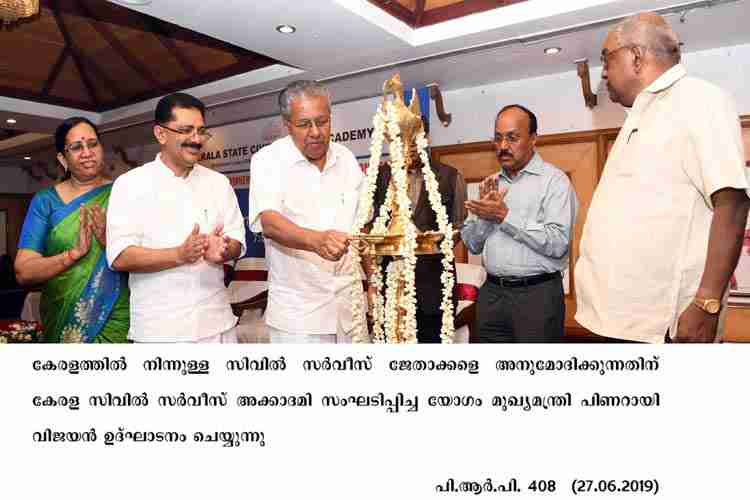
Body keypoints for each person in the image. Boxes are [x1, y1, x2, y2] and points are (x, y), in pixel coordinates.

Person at [575, 12, 750, 344]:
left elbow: (733, 203)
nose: (603, 73)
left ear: (636, 57)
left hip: (665, 326)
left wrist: (706, 304)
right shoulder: (642, 113)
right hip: (616, 321)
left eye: (606, 59)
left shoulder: (698, 100)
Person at [106, 93, 246, 343]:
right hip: (160, 331)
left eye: (201, 131)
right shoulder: (130, 185)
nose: (196, 139)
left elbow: (236, 240)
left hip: (217, 325)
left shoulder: (218, 183)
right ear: (161, 134)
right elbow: (119, 256)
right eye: (185, 130)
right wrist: (179, 255)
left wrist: (224, 250)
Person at [248, 80, 366, 343]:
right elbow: (270, 223)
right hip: (300, 316)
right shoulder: (268, 160)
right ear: (286, 124)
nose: (316, 132)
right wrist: (317, 241)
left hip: (351, 308)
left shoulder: (346, 158)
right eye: (304, 124)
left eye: (322, 121)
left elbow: (362, 224)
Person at [461, 105, 578, 343]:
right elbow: (472, 244)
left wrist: (504, 216)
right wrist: (486, 217)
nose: (503, 146)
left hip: (537, 297)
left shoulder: (554, 182)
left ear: (533, 139)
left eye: (512, 138)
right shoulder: (490, 184)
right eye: (498, 138)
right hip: (491, 295)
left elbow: (558, 243)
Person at [14, 117, 129, 343]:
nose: (87, 152)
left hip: (117, 318)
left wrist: (110, 242)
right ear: (62, 158)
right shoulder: (45, 201)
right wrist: (72, 255)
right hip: (63, 318)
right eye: (76, 147)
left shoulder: (123, 193)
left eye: (93, 144)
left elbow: (146, 257)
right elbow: (23, 271)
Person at [369, 120, 467, 343]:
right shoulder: (382, 176)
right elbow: (373, 226)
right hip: (391, 288)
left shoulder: (449, 176)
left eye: (414, 137)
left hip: (434, 290)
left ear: (426, 139)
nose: (409, 144)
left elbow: (460, 227)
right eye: (401, 138)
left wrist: (430, 243)